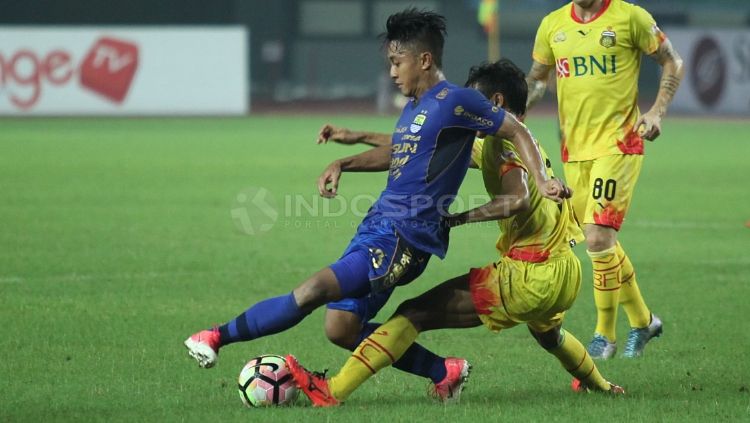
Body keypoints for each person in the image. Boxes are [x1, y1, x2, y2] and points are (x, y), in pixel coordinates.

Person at [184, 8, 567, 396]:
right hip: (378, 225)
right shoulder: (416, 108)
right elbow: (400, 152)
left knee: (312, 291)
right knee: (341, 328)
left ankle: (216, 337)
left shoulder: (457, 101)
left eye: (397, 62)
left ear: (425, 59)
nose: (392, 72)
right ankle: (443, 372)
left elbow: (515, 128)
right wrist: (344, 162)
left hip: (403, 238)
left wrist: (543, 179)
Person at [285, 59, 624, 407]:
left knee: (414, 313)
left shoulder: (504, 146)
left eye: (471, 103)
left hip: (530, 275)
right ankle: (602, 386)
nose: (461, 112)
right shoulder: (515, 140)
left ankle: (332, 391)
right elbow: (422, 140)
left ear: (496, 102)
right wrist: (355, 136)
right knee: (549, 334)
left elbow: (519, 198)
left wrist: (459, 218)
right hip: (565, 271)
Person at [525, 0, 684, 358]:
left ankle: (604, 336)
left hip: (620, 143)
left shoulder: (631, 17)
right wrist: (510, 116)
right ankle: (644, 322)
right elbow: (537, 80)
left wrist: (657, 111)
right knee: (602, 242)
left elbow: (673, 60)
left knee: (597, 238)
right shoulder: (552, 25)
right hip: (574, 150)